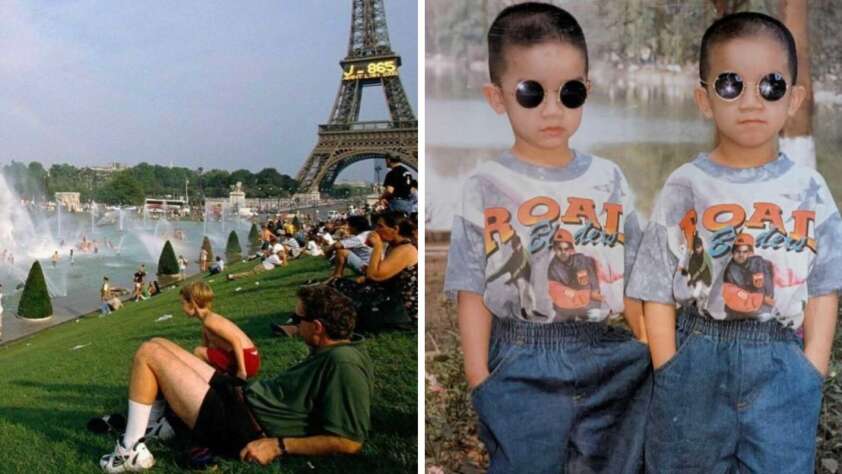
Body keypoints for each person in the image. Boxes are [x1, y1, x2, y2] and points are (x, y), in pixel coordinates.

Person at [626, 12, 841, 473]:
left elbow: (825, 286)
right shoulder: (686, 184)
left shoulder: (810, 189)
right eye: (730, 84)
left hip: (781, 362)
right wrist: (669, 368)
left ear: (794, 98)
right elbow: (655, 287)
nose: (750, 101)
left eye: (771, 86)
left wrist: (812, 368)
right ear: (704, 99)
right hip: (697, 357)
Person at [442, 4, 649, 472]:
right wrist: (480, 379)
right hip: (522, 354)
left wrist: (648, 341)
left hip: (605, 351)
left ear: (587, 91)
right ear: (497, 98)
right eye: (530, 93)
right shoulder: (485, 185)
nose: (552, 109)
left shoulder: (609, 178)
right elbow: (471, 290)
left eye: (569, 92)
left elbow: (637, 281)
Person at [98, 284, 372, 472]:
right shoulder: (334, 352)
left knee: (148, 354)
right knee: (157, 342)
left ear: (318, 326)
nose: (293, 323)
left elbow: (348, 441)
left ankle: (129, 450)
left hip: (240, 424)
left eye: (297, 318)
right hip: (240, 397)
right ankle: (154, 425)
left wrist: (276, 446)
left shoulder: (343, 363)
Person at [329, 212, 418, 331]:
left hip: (403, 308)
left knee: (337, 286)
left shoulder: (405, 250)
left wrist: (377, 246)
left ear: (395, 229)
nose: (376, 230)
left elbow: (374, 275)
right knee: (338, 285)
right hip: (392, 297)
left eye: (380, 226)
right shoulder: (395, 247)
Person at [181, 282, 260, 380]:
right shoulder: (207, 322)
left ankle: (218, 385)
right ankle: (229, 385)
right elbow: (206, 348)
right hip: (250, 357)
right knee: (206, 350)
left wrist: (241, 371)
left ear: (192, 303)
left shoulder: (210, 321)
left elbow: (236, 341)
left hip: (247, 360)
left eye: (182, 303)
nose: (182, 308)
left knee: (198, 352)